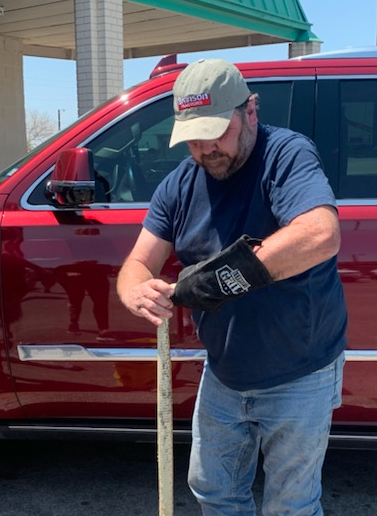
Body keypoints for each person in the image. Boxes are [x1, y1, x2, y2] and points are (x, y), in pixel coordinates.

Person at [117, 58, 347, 516]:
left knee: (291, 506)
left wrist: (225, 279)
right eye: (193, 139)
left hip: (299, 371)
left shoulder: (286, 155)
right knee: (215, 491)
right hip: (223, 374)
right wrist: (137, 291)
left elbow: (320, 234)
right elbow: (136, 264)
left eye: (216, 131)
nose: (205, 148)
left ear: (250, 112)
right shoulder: (179, 185)